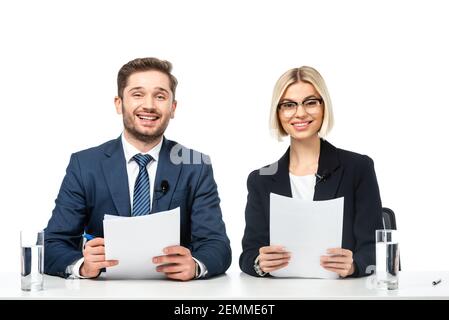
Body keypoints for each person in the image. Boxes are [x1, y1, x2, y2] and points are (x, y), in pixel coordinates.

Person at [44, 57, 231, 280]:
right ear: (119, 103)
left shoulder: (196, 165)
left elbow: (217, 245)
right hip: (104, 292)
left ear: (172, 108)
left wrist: (195, 265)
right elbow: (52, 243)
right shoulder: (85, 165)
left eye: (160, 96)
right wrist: (83, 265)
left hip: (174, 292)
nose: (149, 105)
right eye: (138, 94)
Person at [239, 66, 383, 278]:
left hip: (342, 294)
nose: (300, 113)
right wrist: (260, 262)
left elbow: (375, 249)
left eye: (311, 102)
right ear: (278, 113)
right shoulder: (261, 180)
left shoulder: (358, 168)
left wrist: (354, 265)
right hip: (281, 294)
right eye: (288, 105)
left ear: (324, 107)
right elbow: (248, 255)